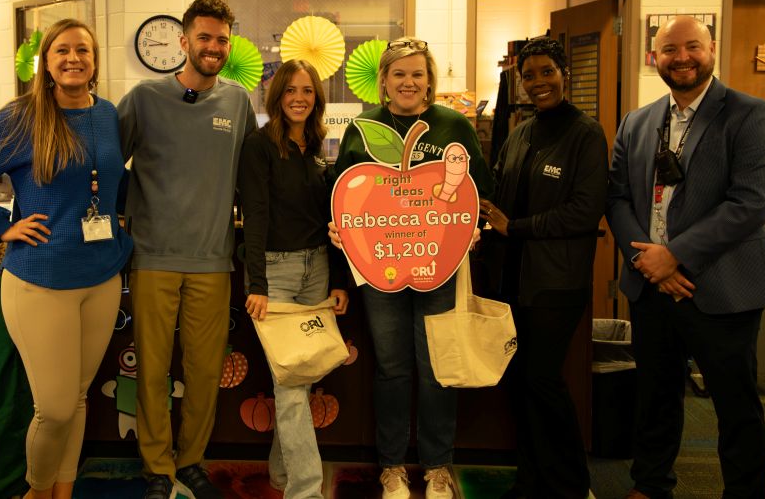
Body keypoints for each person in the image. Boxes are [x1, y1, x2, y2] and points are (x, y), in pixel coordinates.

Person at [0, 18, 132, 499]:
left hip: (101, 274)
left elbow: (110, 182)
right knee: (53, 409)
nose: (74, 59)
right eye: (62, 51)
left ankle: (63, 491)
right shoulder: (23, 116)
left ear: (94, 60)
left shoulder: (107, 114)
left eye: (83, 50)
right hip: (40, 278)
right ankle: (36, 490)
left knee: (77, 398)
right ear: (46, 63)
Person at [606, 15, 765, 499]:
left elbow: (750, 202)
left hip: (722, 286)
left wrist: (676, 256)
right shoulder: (637, 122)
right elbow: (617, 198)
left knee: (735, 404)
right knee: (655, 396)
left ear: (712, 50)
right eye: (669, 49)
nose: (681, 57)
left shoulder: (750, 114)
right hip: (651, 286)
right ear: (655, 57)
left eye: (692, 47)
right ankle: (651, 485)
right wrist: (649, 263)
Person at [331, 37, 493, 499]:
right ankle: (392, 467)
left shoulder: (452, 125)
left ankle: (437, 466)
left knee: (437, 366)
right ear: (383, 81)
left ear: (429, 80)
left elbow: (481, 190)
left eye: (417, 74)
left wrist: (473, 224)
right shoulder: (363, 129)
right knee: (392, 369)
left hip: (439, 267)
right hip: (380, 270)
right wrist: (340, 228)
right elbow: (341, 192)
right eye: (399, 74)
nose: (408, 82)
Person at [117, 0, 256, 499]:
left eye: (222, 39)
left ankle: (191, 458)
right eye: (204, 37)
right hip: (152, 256)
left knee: (203, 372)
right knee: (153, 369)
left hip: (213, 259)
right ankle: (158, 466)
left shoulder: (238, 102)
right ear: (184, 41)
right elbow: (108, 164)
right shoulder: (144, 98)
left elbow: (251, 178)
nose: (213, 47)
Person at [479, 37, 607, 499]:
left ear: (564, 74)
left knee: (542, 380)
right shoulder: (520, 134)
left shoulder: (585, 134)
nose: (538, 83)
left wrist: (515, 227)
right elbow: (498, 194)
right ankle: (531, 480)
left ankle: (570, 483)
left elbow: (584, 211)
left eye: (547, 72)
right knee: (520, 383)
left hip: (556, 283)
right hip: (513, 281)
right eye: (529, 75)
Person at [238, 59, 349, 499]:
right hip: (275, 273)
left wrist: (337, 279)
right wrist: (257, 284)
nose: (299, 98)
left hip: (316, 270)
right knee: (289, 385)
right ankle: (306, 490)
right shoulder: (258, 146)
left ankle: (281, 474)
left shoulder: (317, 145)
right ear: (277, 96)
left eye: (306, 90)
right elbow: (255, 216)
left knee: (298, 381)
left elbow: (329, 219)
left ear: (316, 97)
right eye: (290, 90)